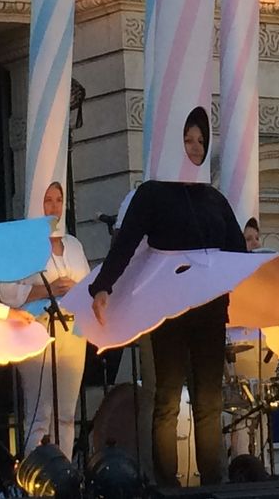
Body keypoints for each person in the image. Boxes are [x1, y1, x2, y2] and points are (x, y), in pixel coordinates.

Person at [89, 107, 246, 486]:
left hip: (209, 310)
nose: (194, 148)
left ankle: (213, 479)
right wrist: (103, 286)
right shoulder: (154, 193)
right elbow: (126, 243)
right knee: (168, 398)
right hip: (169, 308)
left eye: (200, 142)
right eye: (188, 140)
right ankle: (167, 481)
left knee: (210, 399)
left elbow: (238, 250)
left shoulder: (213, 198)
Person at [0, 182, 91, 458]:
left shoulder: (73, 244)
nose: (54, 207)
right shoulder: (23, 246)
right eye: (47, 200)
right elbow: (7, 292)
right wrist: (48, 289)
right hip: (37, 327)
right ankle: (36, 477)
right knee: (40, 412)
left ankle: (64, 475)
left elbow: (87, 285)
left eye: (58, 200)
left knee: (66, 413)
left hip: (72, 329)